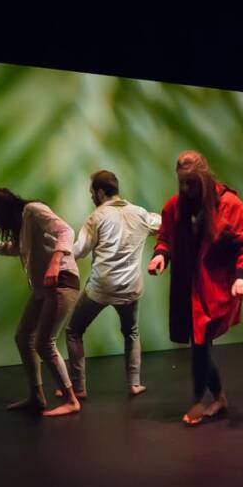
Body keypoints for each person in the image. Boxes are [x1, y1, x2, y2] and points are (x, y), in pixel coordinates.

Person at [147, 150, 243, 426]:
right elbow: (166, 237)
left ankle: (198, 400)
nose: (186, 189)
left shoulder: (229, 204)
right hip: (188, 285)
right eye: (182, 183)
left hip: (216, 286)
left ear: (205, 178)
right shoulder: (175, 206)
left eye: (192, 183)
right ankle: (219, 397)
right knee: (200, 343)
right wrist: (161, 254)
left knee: (200, 342)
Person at [0, 188, 82, 416]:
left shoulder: (33, 211)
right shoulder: (24, 223)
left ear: (2, 209)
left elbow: (66, 230)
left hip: (61, 282)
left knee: (44, 343)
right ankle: (37, 396)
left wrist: (56, 262)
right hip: (42, 289)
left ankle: (70, 399)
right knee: (23, 336)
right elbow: (17, 248)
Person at [66, 170, 161, 397]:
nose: (91, 197)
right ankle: (134, 383)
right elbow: (162, 224)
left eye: (92, 193)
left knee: (74, 331)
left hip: (101, 288)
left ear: (100, 192)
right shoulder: (139, 213)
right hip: (130, 287)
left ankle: (78, 388)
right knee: (131, 332)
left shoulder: (97, 217)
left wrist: (56, 248)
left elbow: (78, 251)